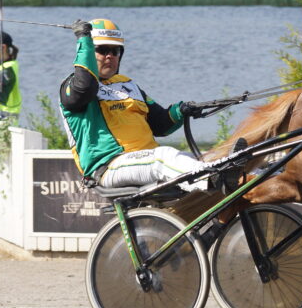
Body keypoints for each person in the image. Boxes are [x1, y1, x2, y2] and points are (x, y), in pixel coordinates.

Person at [58, 18, 233, 192]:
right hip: (109, 165)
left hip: (143, 160)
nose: (109, 56)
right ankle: (217, 181)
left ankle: (246, 180)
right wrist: (84, 39)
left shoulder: (128, 85)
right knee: (164, 157)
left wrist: (180, 111)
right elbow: (85, 86)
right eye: (102, 50)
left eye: (115, 50)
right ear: (89, 51)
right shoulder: (73, 87)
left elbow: (160, 125)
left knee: (202, 160)